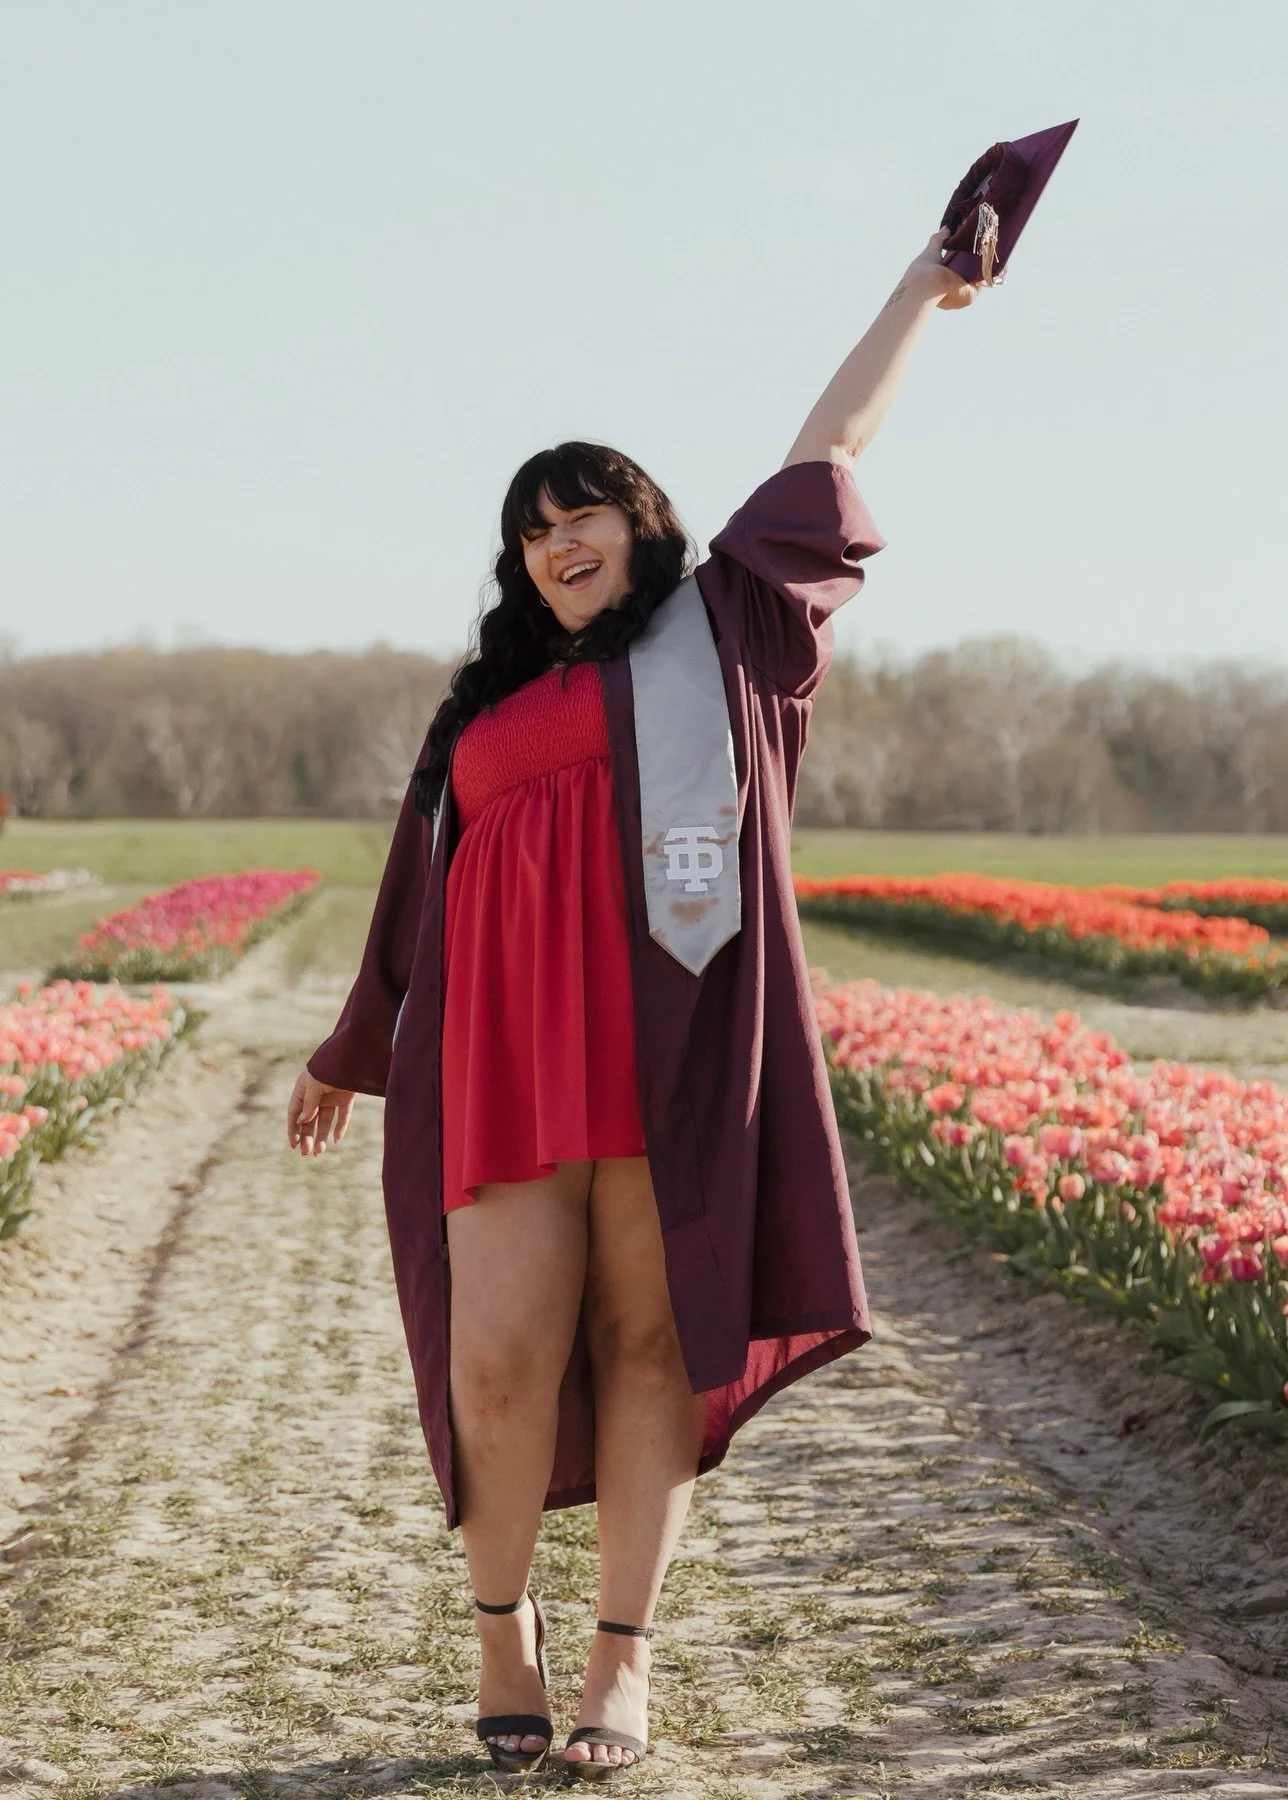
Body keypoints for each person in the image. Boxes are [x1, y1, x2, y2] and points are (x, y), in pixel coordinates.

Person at [285, 231, 977, 1780]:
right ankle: (498, 1634)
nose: (555, 545)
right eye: (532, 531)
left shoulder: (722, 635)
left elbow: (834, 446)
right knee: (500, 1361)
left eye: (581, 512)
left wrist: (920, 294)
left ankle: (621, 1667)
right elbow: (418, 889)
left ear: (637, 521)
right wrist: (351, 1046)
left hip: (666, 1059)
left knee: (653, 1352)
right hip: (507, 1069)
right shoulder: (481, 704)